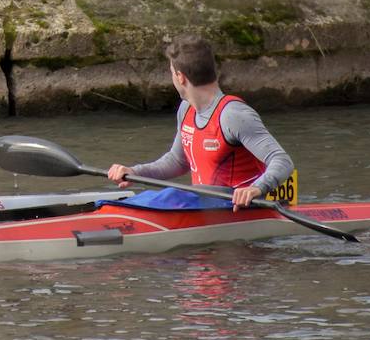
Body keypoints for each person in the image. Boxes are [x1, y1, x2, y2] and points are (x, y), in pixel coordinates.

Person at [107, 34, 294, 211]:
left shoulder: (233, 115)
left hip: (240, 207)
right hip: (204, 206)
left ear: (180, 77)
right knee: (167, 196)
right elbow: (177, 161)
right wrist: (135, 172)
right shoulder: (186, 109)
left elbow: (282, 161)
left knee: (172, 196)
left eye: (171, 73)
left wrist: (256, 189)